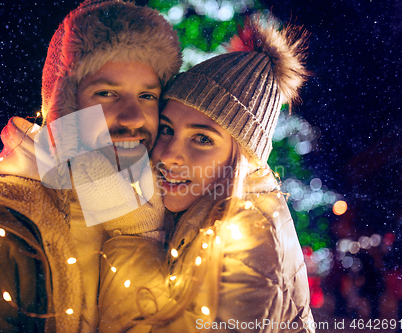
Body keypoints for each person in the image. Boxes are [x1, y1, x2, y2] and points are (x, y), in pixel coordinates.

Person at [0, 0, 181, 332]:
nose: (134, 117)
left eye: (147, 96)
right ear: (64, 104)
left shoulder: (160, 216)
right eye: (107, 93)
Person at [97, 15, 315, 332]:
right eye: (167, 129)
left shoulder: (249, 240)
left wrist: (134, 237)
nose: (169, 154)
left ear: (243, 157)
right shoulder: (206, 205)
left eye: (202, 139)